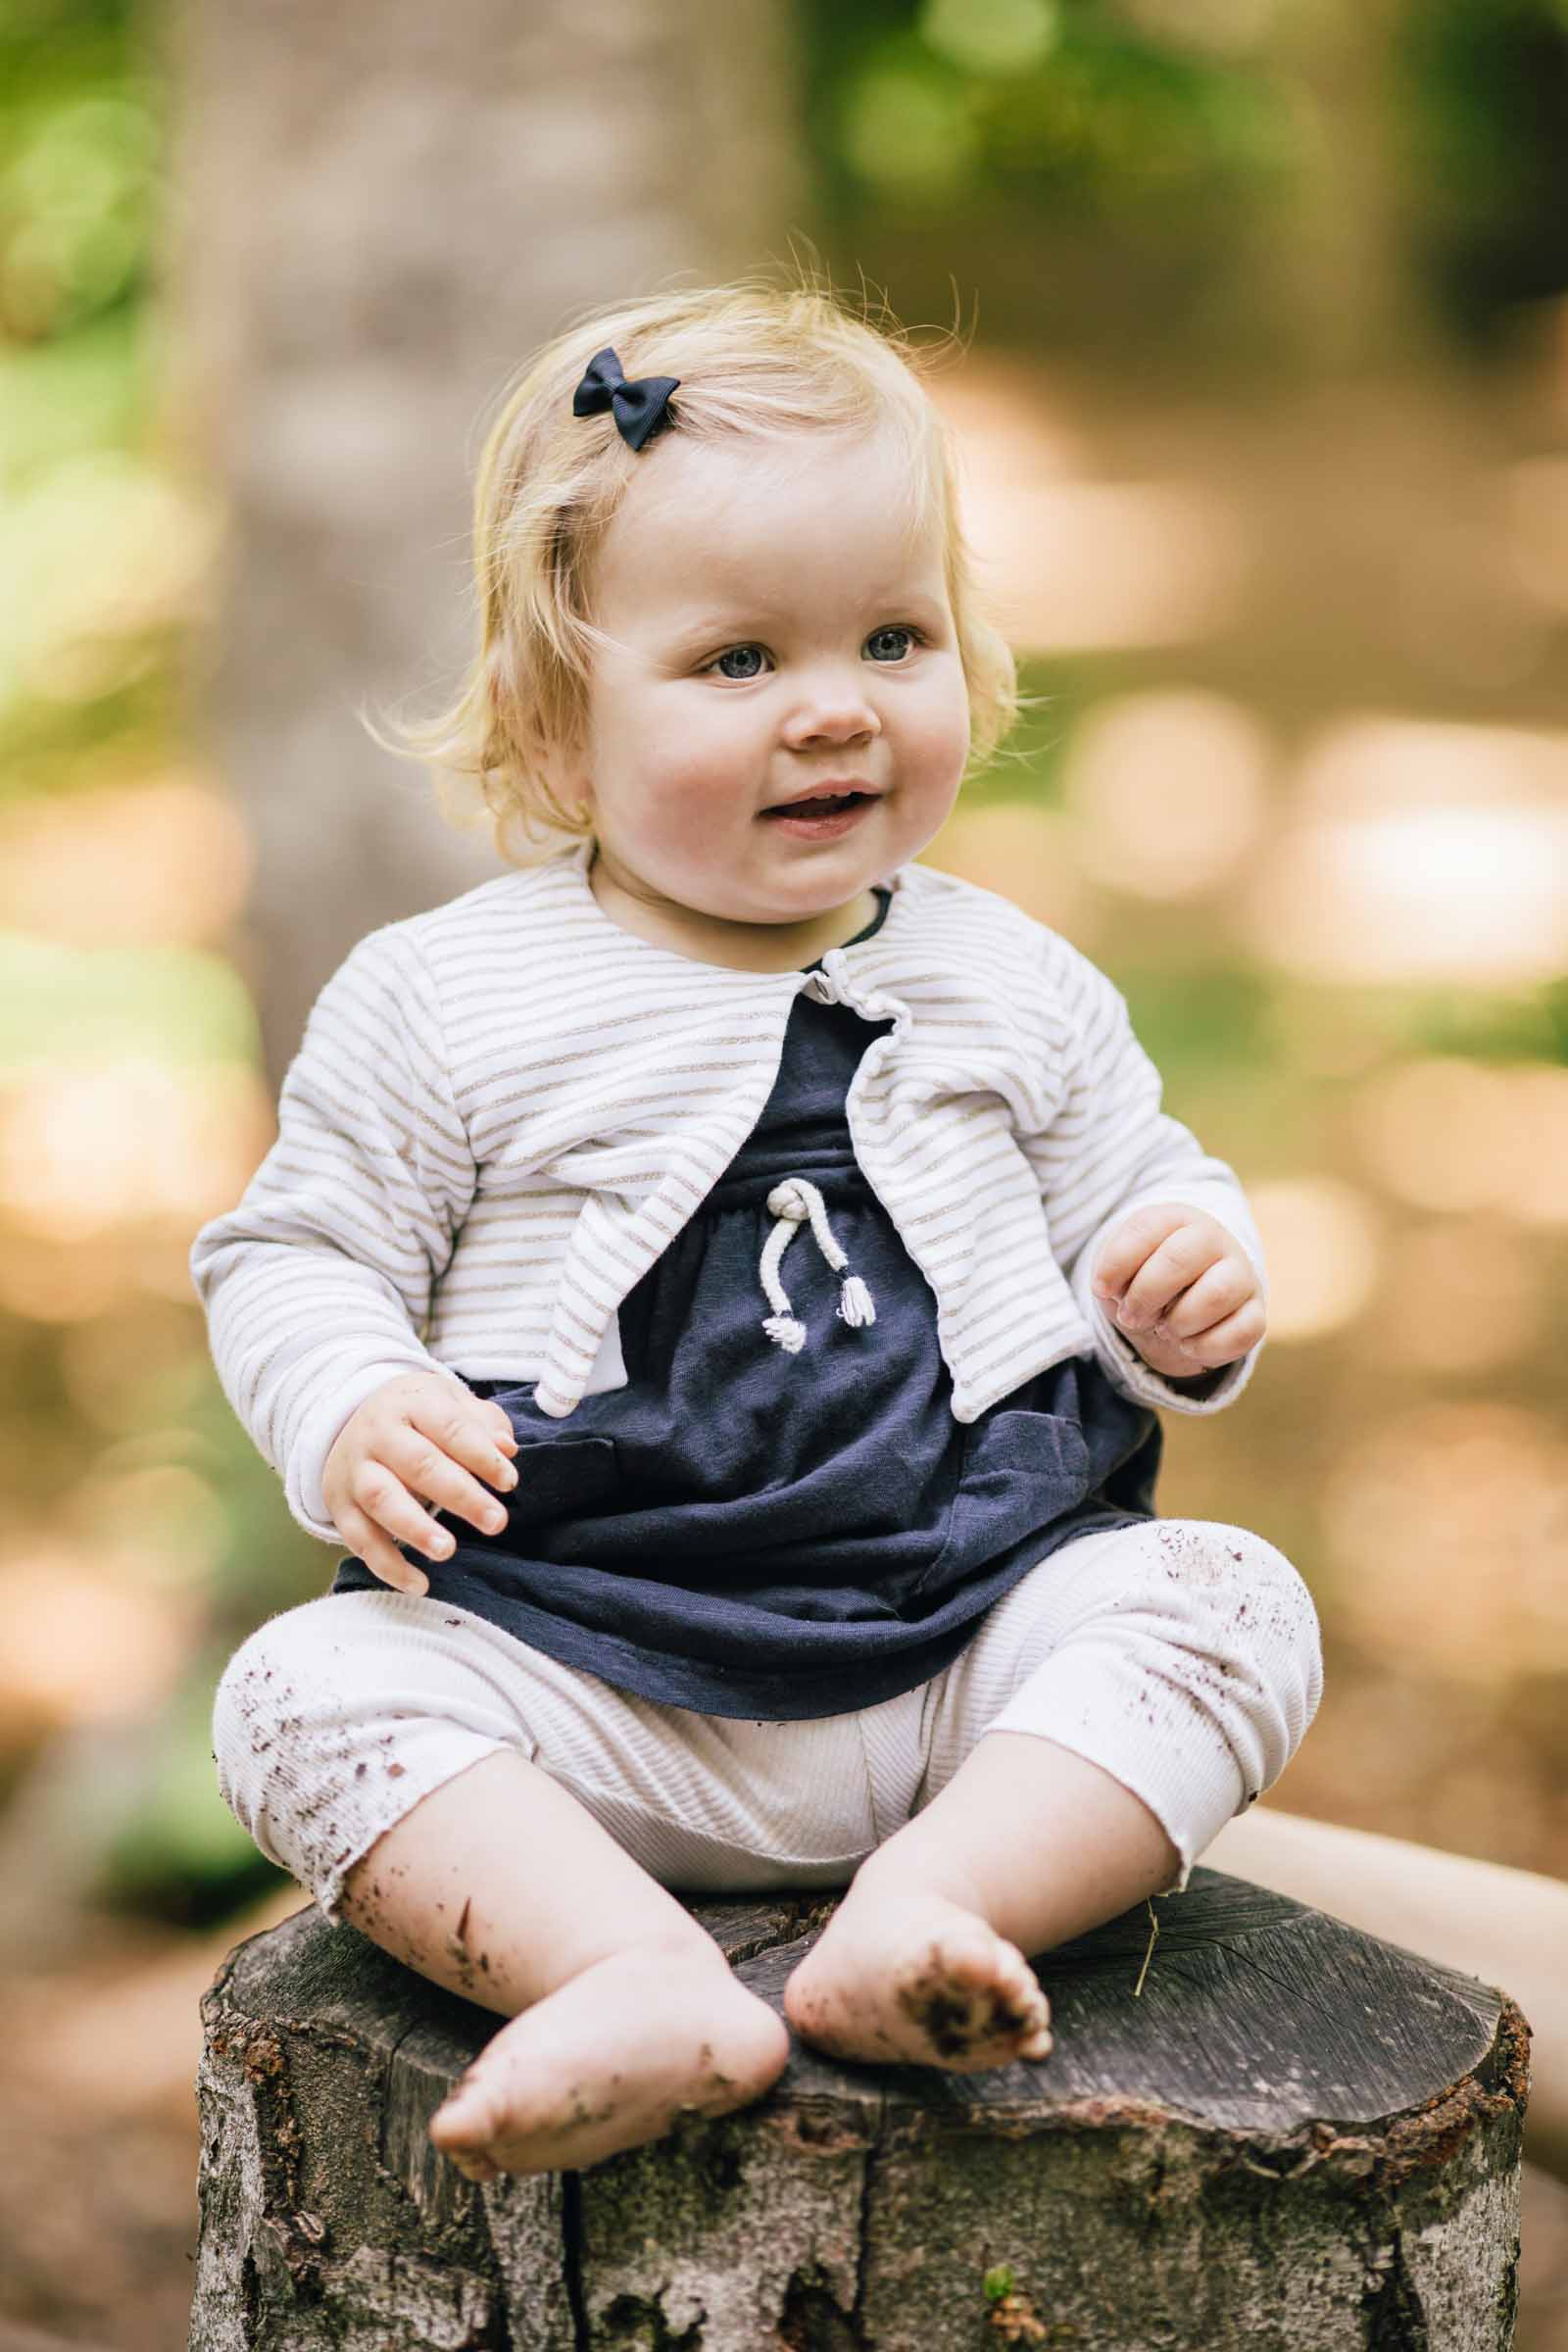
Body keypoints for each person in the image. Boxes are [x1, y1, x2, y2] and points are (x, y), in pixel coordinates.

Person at [196, 276, 1323, 2186]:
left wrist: (1173, 1281)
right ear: (557, 730)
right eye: (734, 661)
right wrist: (351, 1403)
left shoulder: (1008, 980)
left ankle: (926, 1914)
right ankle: (622, 1972)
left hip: (961, 1647)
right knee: (300, 1699)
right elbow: (288, 1257)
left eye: (893, 637)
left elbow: (1138, 1185)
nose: (832, 707)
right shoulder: (448, 999)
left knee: (1226, 1605)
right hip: (587, 1674)